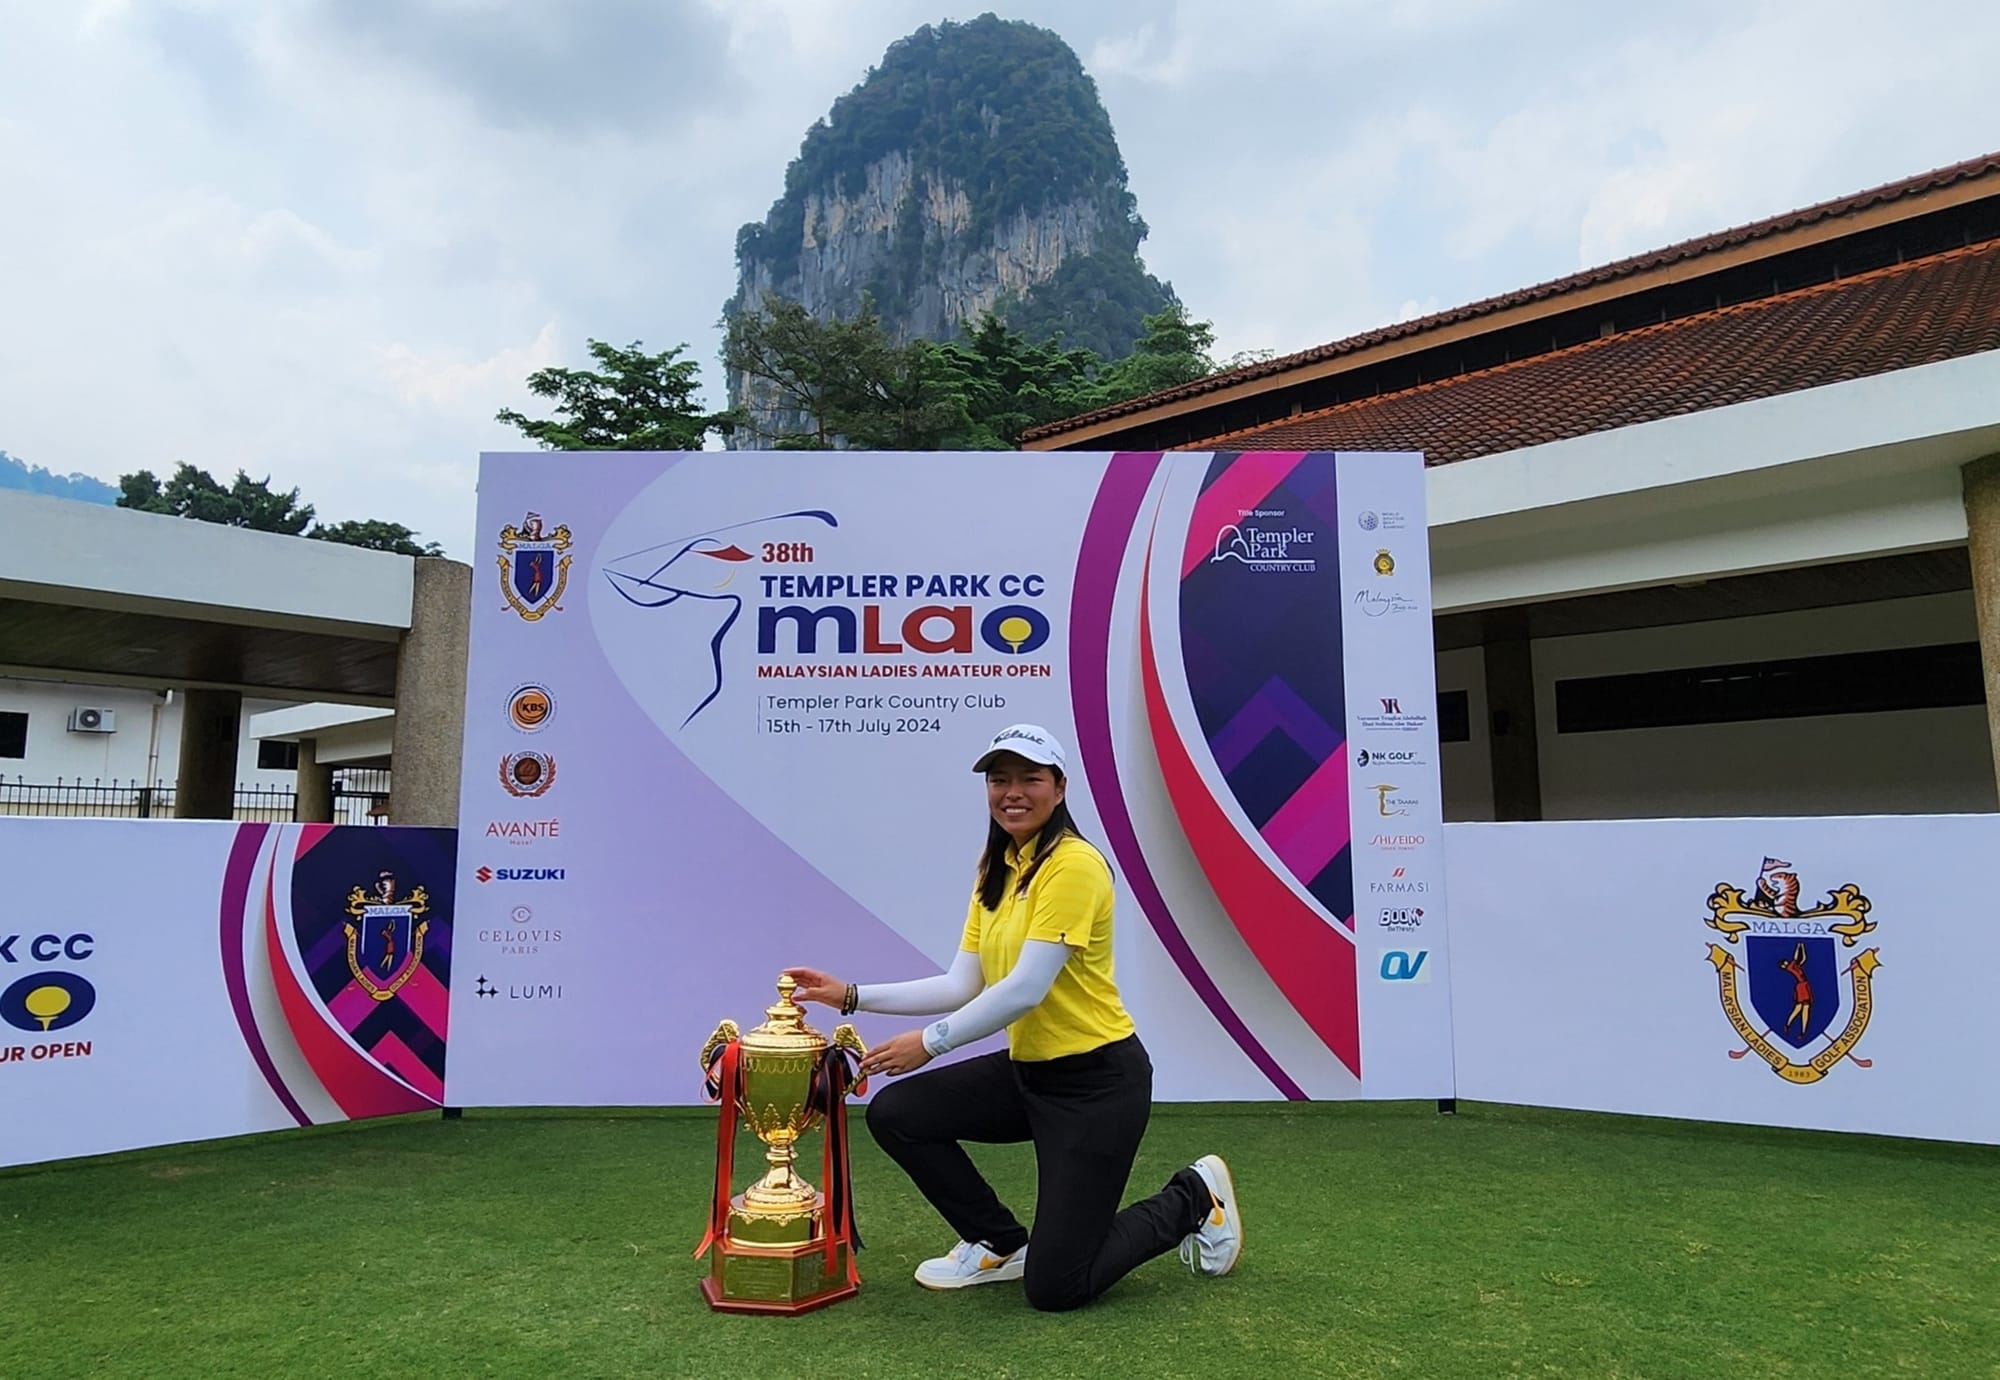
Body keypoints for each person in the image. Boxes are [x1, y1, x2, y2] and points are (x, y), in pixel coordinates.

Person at [784, 722, 1243, 1312]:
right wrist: (850, 994)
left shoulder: (1072, 865)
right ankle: (999, 1241)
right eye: (999, 779)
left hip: (1098, 1086)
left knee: (1058, 1288)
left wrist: (930, 1042)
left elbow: (1025, 990)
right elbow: (962, 982)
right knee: (899, 1113)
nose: (1013, 791)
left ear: (1060, 788)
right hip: (1031, 1075)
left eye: (1030, 777)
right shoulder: (998, 866)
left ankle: (1192, 1197)